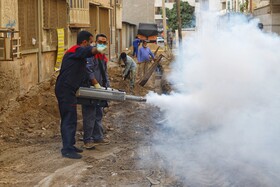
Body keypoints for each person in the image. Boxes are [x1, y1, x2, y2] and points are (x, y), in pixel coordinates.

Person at [55, 30, 105, 159]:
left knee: (72, 118)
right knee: (69, 119)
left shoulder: (78, 54)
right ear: (84, 42)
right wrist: (101, 46)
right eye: (91, 42)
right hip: (65, 90)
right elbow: (92, 51)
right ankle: (67, 149)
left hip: (69, 89)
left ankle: (70, 146)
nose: (92, 45)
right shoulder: (76, 50)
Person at [81, 34, 110, 150]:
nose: (102, 44)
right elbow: (88, 70)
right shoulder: (91, 55)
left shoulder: (102, 57)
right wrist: (95, 84)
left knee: (98, 113)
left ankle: (98, 137)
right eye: (100, 42)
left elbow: (104, 73)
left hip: (99, 90)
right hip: (89, 88)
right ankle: (88, 140)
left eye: (104, 42)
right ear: (95, 43)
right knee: (89, 115)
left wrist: (107, 86)